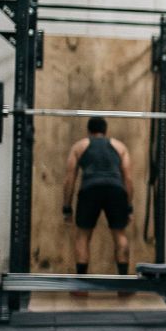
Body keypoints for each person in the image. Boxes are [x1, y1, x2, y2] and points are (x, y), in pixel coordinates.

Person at [62, 117, 134, 284]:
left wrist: (67, 207)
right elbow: (128, 179)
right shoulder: (120, 146)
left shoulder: (79, 146)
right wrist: (129, 207)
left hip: (90, 190)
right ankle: (123, 282)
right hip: (115, 190)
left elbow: (69, 179)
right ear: (105, 131)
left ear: (88, 131)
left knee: (83, 236)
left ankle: (82, 284)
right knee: (120, 234)